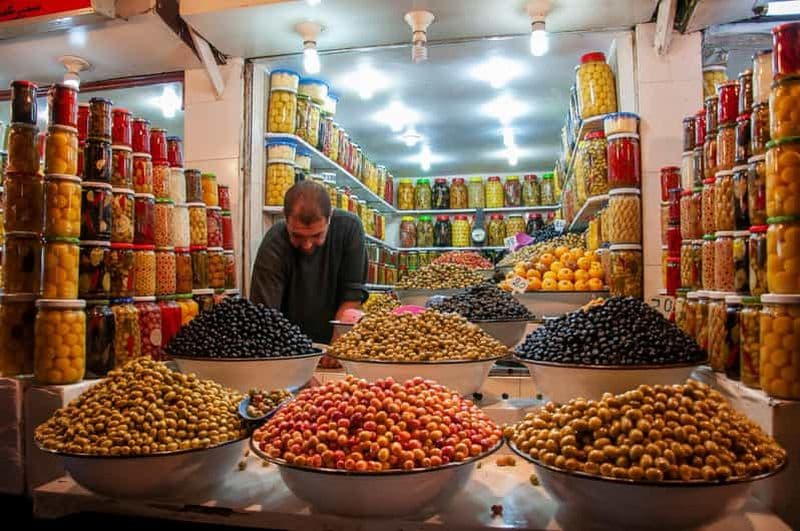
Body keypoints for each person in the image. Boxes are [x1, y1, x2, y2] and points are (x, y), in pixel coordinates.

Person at [250, 180, 367, 343]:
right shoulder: (274, 242)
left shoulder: (349, 229)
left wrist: (339, 347)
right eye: (297, 236)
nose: (307, 245)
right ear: (285, 217)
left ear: (330, 217)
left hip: (333, 343)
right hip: (286, 347)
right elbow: (264, 315)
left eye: (317, 235)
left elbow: (351, 298)